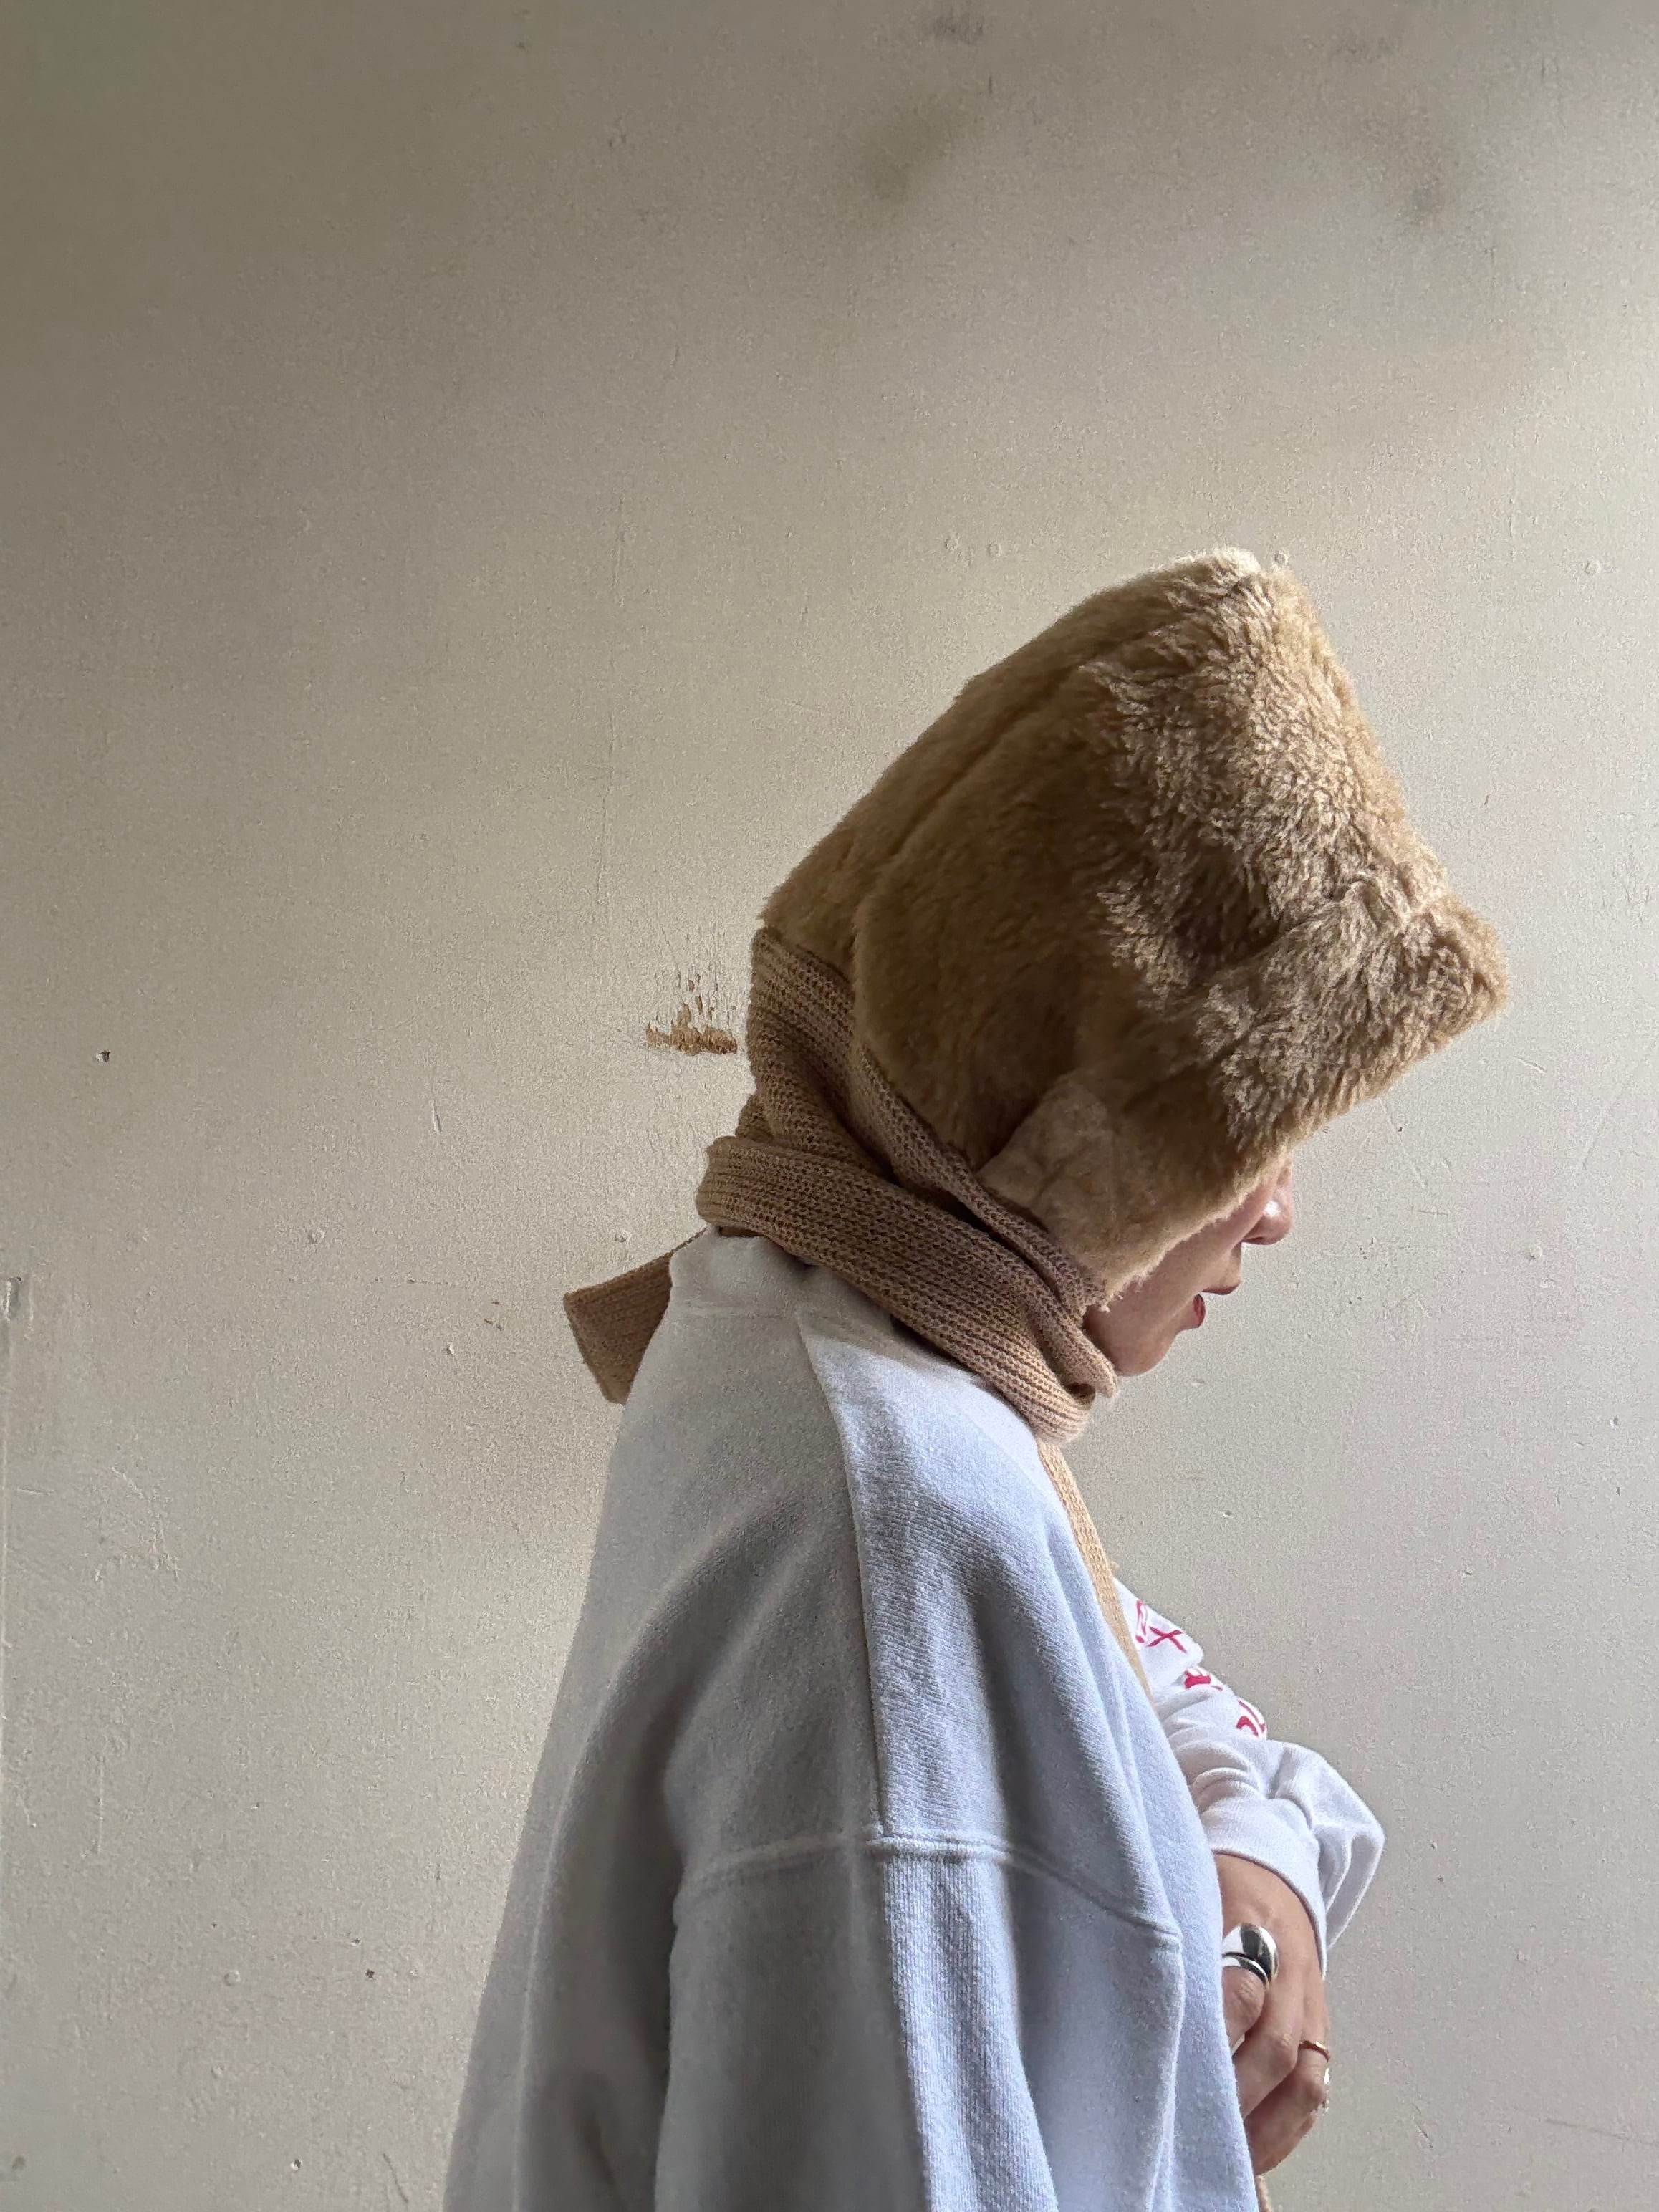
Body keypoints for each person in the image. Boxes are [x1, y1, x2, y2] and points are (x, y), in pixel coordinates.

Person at [446, 549, 1506, 2211]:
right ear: (1061, 1118)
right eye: (1243, 1127)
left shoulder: (793, 1337)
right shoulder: (897, 1515)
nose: (1277, 1210)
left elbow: (1129, 1672)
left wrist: (1258, 1872)